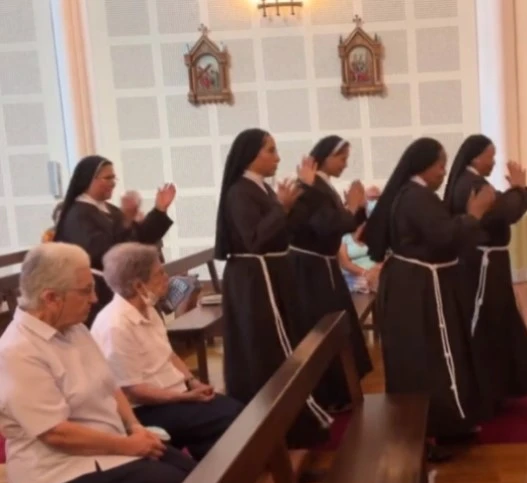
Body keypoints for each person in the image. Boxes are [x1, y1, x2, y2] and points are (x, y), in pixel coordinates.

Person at [0, 243, 194, 483]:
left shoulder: (76, 328)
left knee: (195, 473)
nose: (94, 298)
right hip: (58, 473)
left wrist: (135, 426)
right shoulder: (17, 351)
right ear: (51, 298)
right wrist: (128, 446)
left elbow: (110, 385)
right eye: (86, 290)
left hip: (109, 446)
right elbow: (56, 433)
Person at [363, 137, 496, 461]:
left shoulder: (414, 194)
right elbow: (444, 237)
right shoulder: (415, 197)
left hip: (416, 284)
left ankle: (444, 424)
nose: (443, 171)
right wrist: (473, 216)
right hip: (419, 288)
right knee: (428, 358)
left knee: (427, 356)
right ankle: (431, 428)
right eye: (440, 165)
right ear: (423, 165)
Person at [214, 128, 331, 447]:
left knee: (283, 345)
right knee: (264, 350)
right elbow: (254, 239)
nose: (277, 157)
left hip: (272, 273)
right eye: (271, 150)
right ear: (251, 155)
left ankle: (290, 420)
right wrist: (281, 207)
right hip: (255, 279)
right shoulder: (239, 192)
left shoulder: (261, 188)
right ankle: (269, 427)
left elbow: (288, 227)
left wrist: (306, 191)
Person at [91, 243, 244, 460]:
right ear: (138, 285)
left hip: (175, 395)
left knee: (237, 411)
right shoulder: (115, 325)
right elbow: (134, 391)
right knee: (231, 419)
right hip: (146, 409)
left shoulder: (148, 309)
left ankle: (210, 469)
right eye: (159, 273)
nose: (167, 277)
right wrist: (185, 397)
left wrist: (193, 382)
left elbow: (169, 354)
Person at [443, 134, 527, 417]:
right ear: (476, 157)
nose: (494, 161)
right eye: (491, 156)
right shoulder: (472, 185)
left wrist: (515, 193)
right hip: (482, 265)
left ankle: (499, 388)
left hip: (487, 264)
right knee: (485, 324)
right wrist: (520, 189)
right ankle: (485, 392)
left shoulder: (470, 182)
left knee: (497, 320)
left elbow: (499, 207)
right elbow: (503, 213)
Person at [289, 135, 372, 412]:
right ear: (324, 157)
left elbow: (344, 225)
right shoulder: (310, 187)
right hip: (310, 271)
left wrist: (358, 207)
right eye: (341, 158)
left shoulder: (322, 186)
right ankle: (327, 393)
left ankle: (341, 390)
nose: (345, 164)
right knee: (322, 329)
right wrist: (352, 207)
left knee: (338, 326)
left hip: (323, 267)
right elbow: (325, 225)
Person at [53, 155, 175, 326]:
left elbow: (139, 240)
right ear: (89, 179)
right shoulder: (77, 215)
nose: (113, 183)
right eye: (108, 178)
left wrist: (159, 210)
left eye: (114, 178)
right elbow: (103, 253)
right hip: (100, 293)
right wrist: (125, 220)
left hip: (122, 288)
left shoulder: (109, 209)